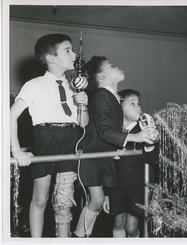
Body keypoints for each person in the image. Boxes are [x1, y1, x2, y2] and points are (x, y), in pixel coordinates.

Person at [10, 33, 89, 238]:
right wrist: (16, 150)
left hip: (69, 139)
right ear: (51, 58)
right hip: (45, 139)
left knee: (64, 201)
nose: (74, 55)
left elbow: (83, 123)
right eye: (68, 50)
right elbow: (10, 116)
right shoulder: (34, 84)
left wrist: (83, 104)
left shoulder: (74, 86)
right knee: (40, 199)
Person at [74, 56, 158, 237]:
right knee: (96, 201)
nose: (117, 66)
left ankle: (80, 235)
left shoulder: (112, 98)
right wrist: (135, 136)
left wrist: (115, 150)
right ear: (101, 77)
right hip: (92, 157)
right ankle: (78, 236)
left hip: (103, 158)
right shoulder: (101, 97)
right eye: (111, 66)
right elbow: (104, 131)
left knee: (96, 201)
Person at [105, 89, 159, 238]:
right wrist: (105, 194)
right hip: (116, 184)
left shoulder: (145, 128)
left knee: (131, 227)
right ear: (118, 108)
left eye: (139, 103)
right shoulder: (111, 132)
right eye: (132, 104)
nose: (138, 107)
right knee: (118, 222)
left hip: (137, 184)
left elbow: (152, 159)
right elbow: (104, 164)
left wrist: (150, 141)